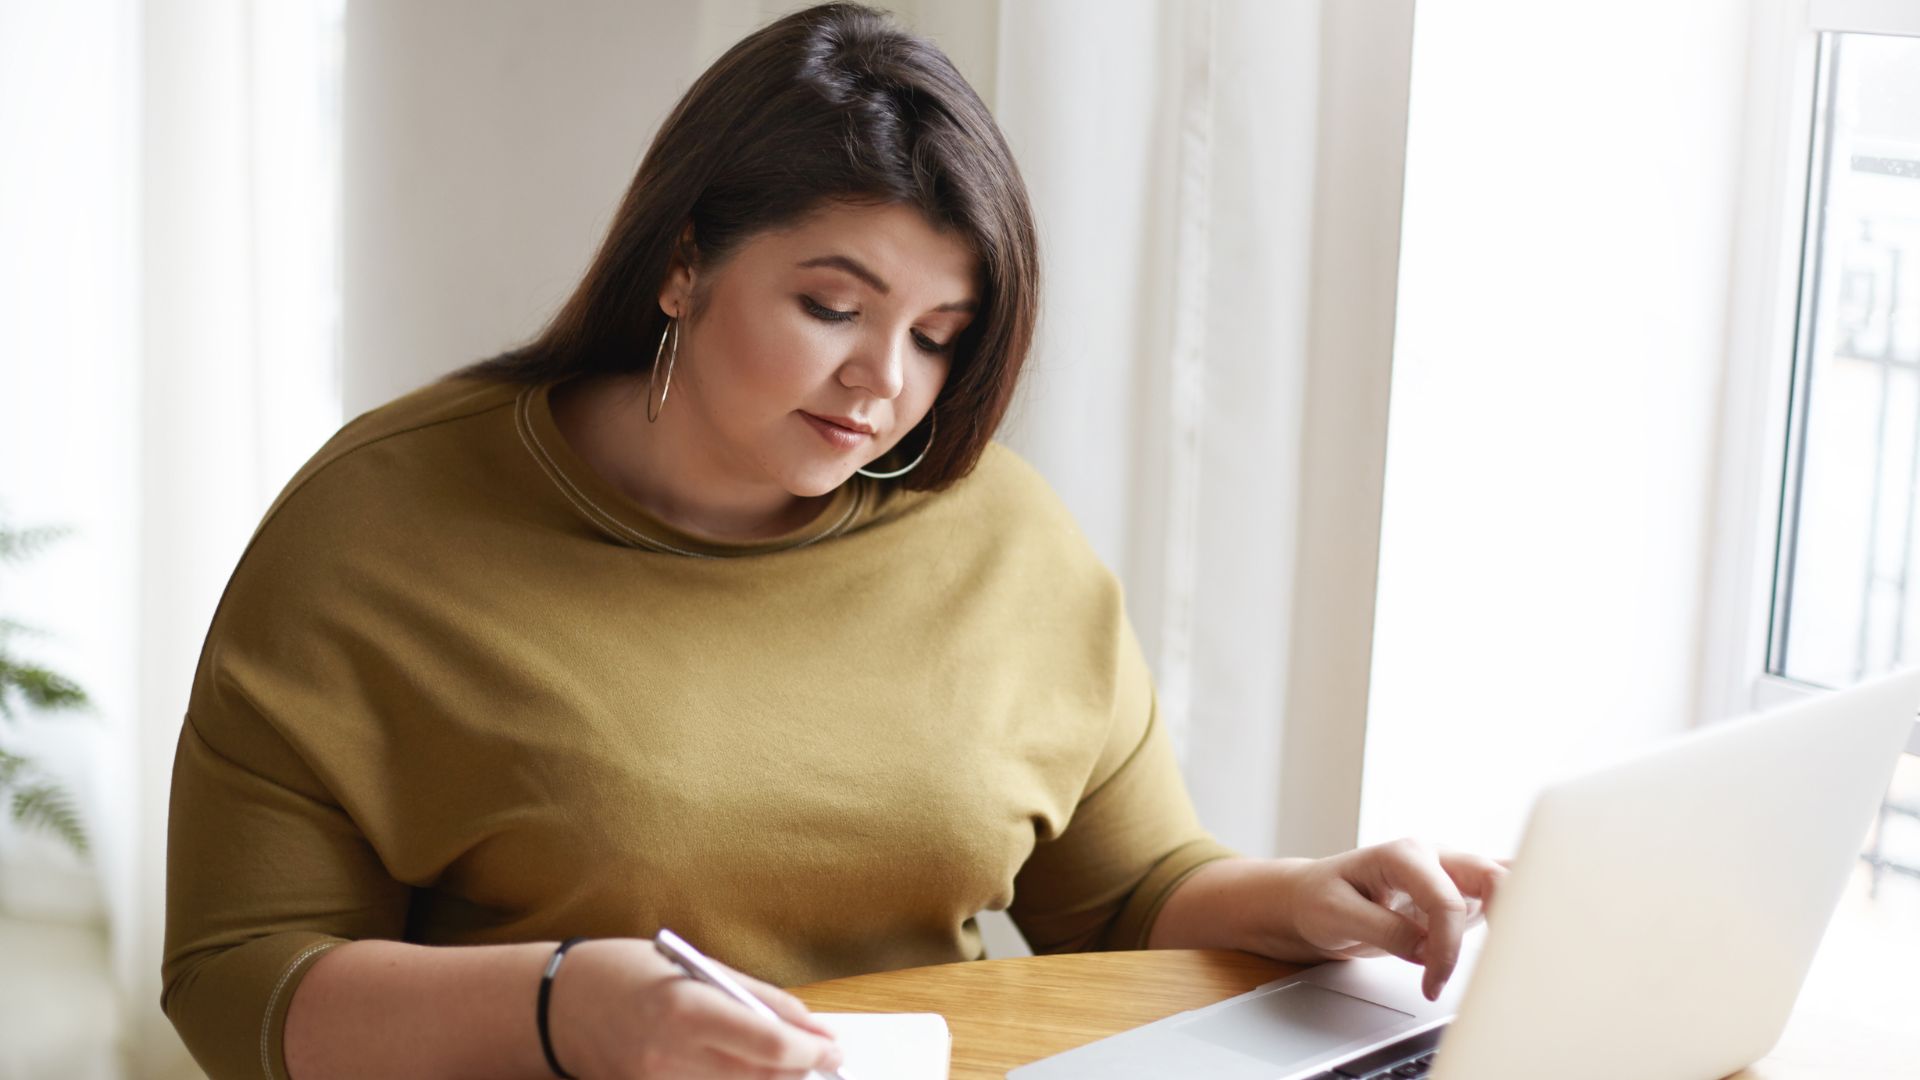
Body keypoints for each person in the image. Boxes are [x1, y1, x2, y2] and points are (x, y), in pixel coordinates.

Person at [159, 4, 1506, 1079]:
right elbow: (238, 984)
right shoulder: (383, 526)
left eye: (937, 335)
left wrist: (1310, 901)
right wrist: (570, 1010)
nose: (883, 384)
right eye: (830, 305)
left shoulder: (997, 534)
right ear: (683, 262)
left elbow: (1130, 890)